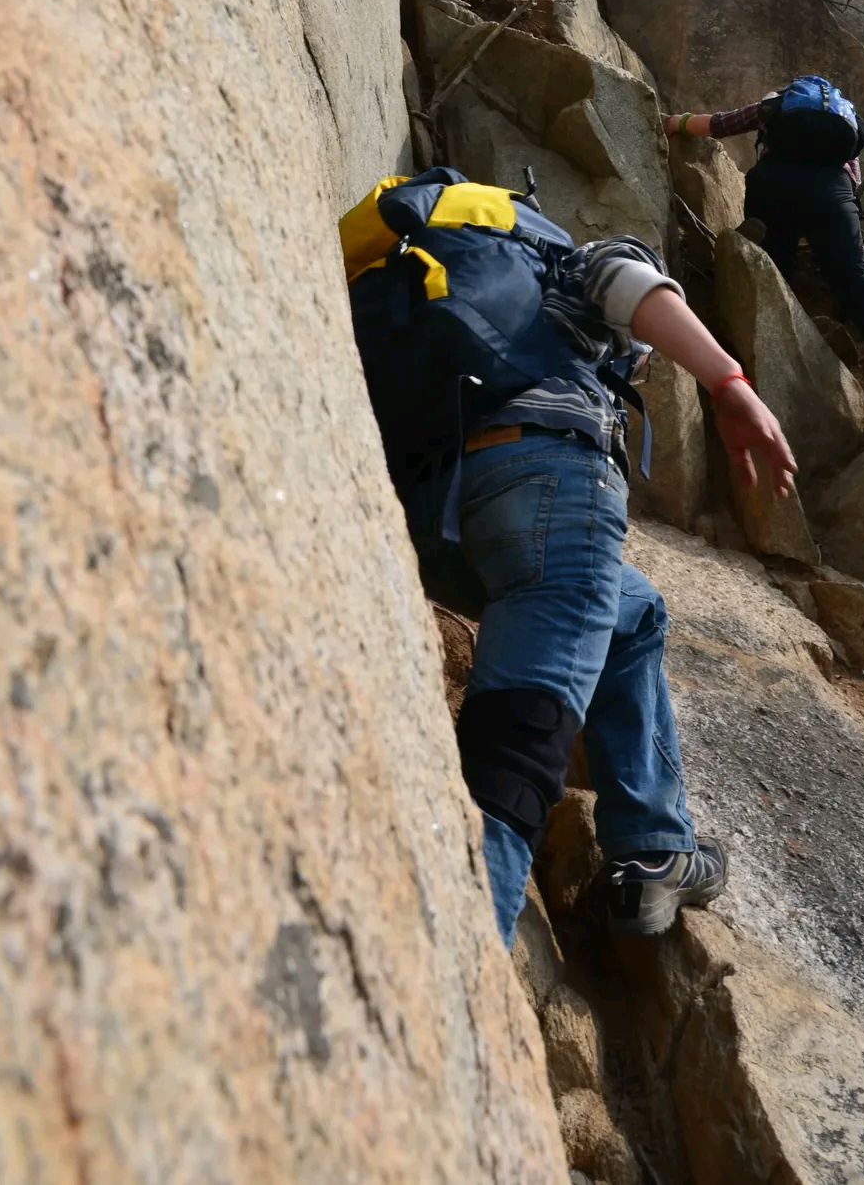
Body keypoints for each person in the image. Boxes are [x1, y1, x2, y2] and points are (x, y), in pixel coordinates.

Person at [340, 170, 796, 949]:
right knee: (518, 749)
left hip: (448, 521)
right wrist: (730, 384)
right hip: (553, 481)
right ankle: (453, 983)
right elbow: (630, 284)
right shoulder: (554, 251)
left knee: (634, 611)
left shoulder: (407, 284)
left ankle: (653, 847)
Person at [665, 78, 864, 395]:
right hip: (832, 194)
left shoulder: (775, 104)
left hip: (773, 183)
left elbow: (720, 124)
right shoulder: (845, 124)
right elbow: (852, 179)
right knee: (855, 278)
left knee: (774, 265)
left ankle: (763, 258)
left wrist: (675, 123)